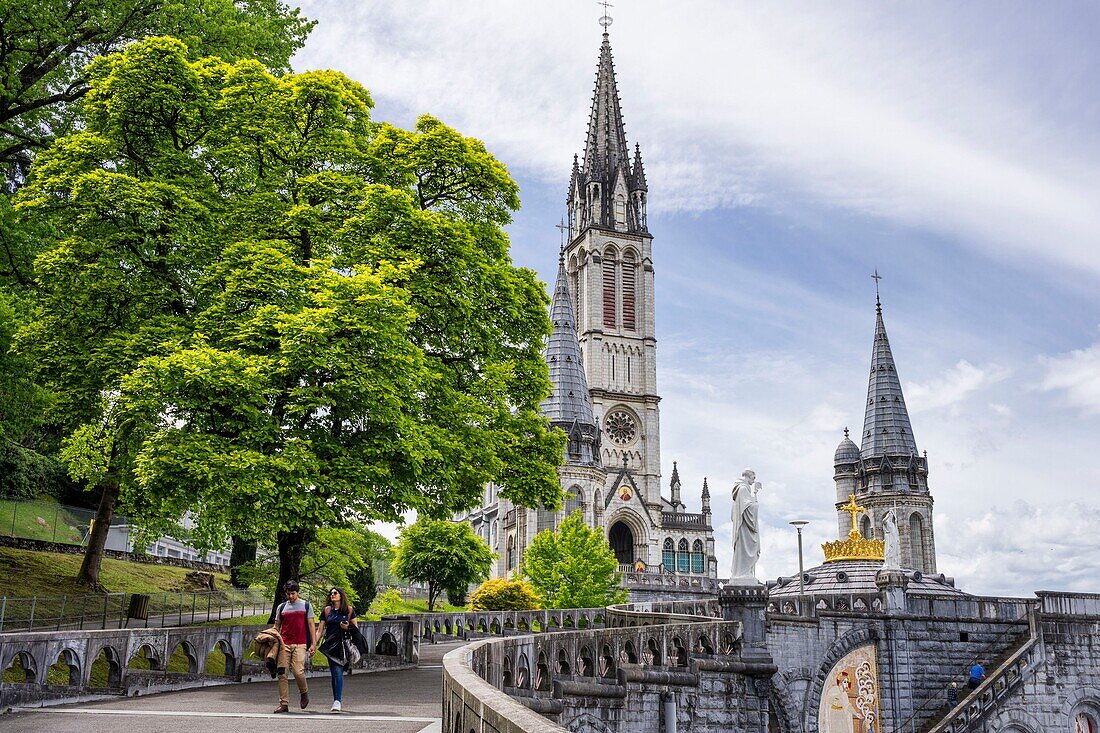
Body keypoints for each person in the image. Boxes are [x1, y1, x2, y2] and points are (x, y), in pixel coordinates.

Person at [273, 580, 316, 713]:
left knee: (298, 671)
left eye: (293, 593)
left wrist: (313, 644)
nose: (291, 596)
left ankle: (304, 693)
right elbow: (277, 626)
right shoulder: (281, 607)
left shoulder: (306, 606)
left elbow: (311, 626)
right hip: (284, 644)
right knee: (282, 674)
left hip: (300, 643)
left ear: (298, 592)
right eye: (288, 594)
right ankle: (284, 703)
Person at [316, 586, 358, 713]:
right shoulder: (327, 611)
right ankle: (336, 700)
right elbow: (320, 630)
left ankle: (337, 701)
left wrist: (347, 628)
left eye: (335, 593)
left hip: (343, 646)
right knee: (334, 673)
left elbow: (356, 629)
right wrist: (314, 644)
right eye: (331, 593)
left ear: (341, 595)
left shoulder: (349, 611)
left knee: (338, 671)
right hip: (331, 646)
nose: (332, 595)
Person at [730, 469, 763, 581]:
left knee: (743, 551)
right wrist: (756, 504)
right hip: (744, 528)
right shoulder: (743, 489)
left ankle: (743, 572)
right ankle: (742, 573)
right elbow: (749, 508)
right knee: (747, 549)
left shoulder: (741, 489)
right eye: (753, 478)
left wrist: (754, 494)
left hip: (743, 527)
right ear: (748, 476)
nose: (753, 481)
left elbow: (746, 505)